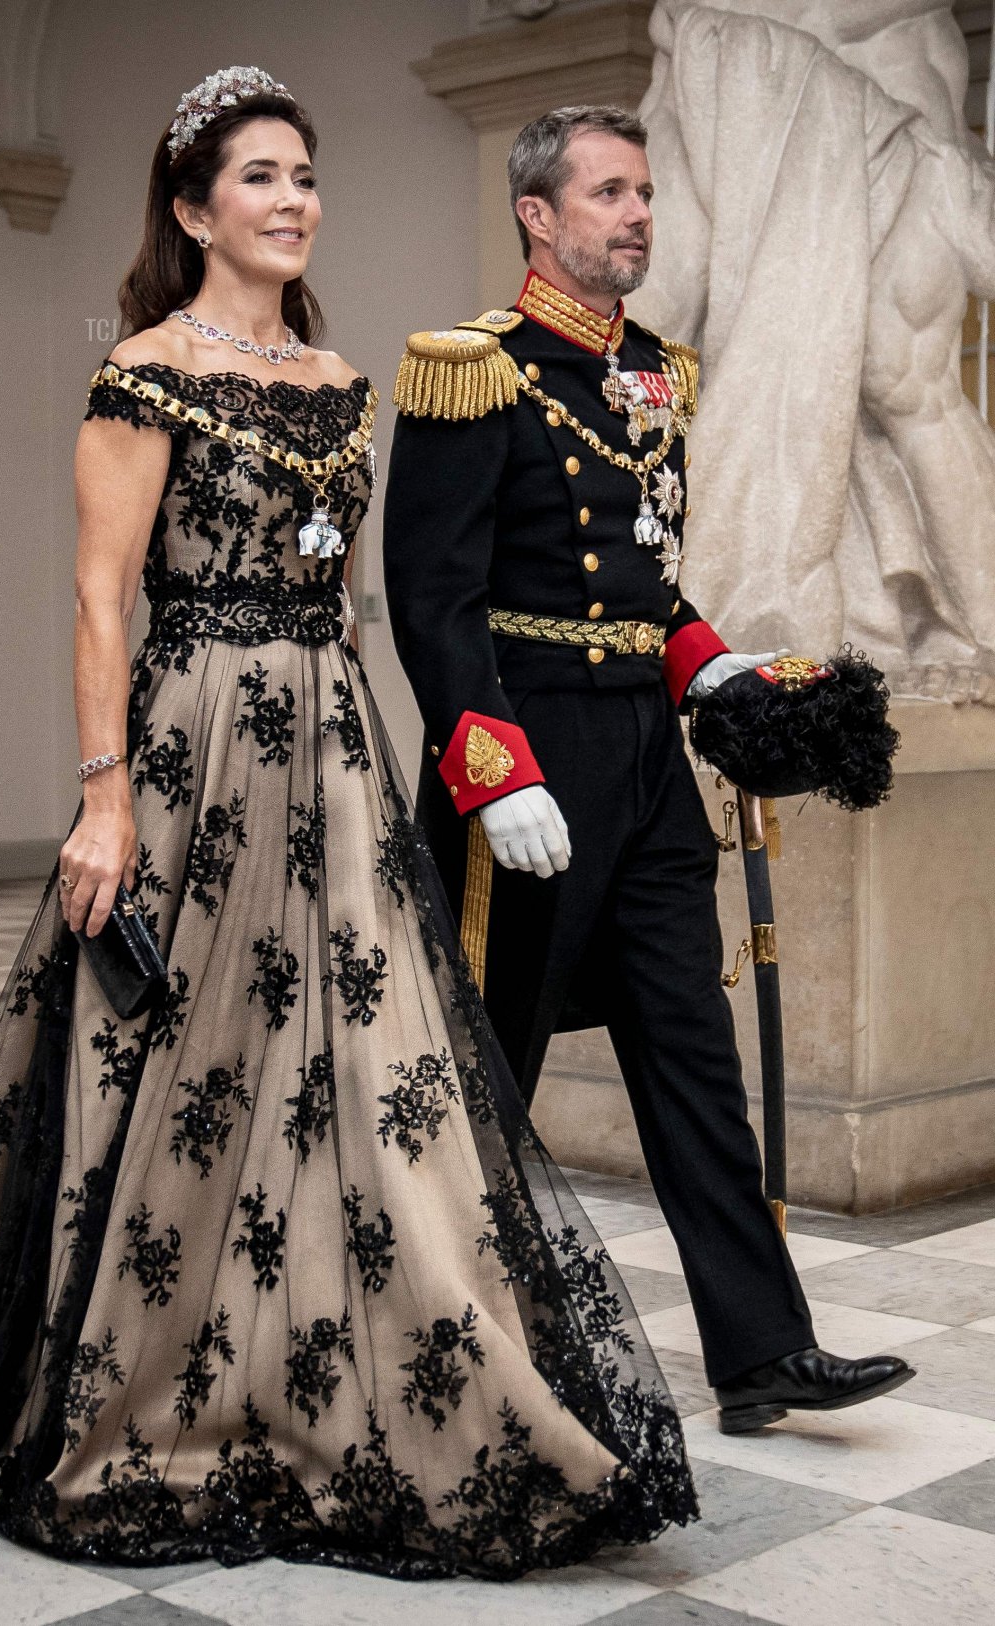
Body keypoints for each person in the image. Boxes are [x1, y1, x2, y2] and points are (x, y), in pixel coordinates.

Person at [0, 70, 699, 1579]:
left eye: (306, 177)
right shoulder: (145, 372)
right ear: (190, 207)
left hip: (333, 747)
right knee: (187, 1062)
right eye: (260, 178)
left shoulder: (349, 381)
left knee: (370, 1074)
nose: (293, 201)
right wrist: (102, 799)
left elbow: (352, 585)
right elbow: (102, 595)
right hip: (189, 747)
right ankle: (154, 1384)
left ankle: (378, 1381)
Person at [382, 104, 914, 1436]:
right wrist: (491, 767)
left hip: (644, 762)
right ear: (538, 216)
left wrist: (713, 668)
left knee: (693, 1053)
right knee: (482, 1073)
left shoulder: (649, 375)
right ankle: (450, 1356)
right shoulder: (472, 370)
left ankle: (762, 1351)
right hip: (526, 762)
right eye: (609, 194)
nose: (636, 216)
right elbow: (432, 599)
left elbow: (640, 583)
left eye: (644, 194)